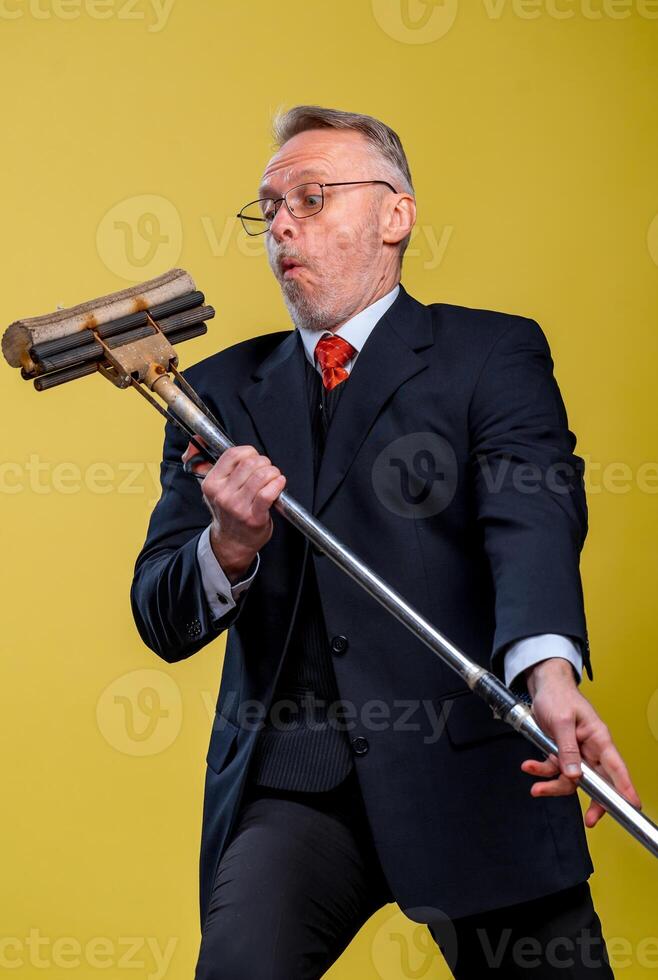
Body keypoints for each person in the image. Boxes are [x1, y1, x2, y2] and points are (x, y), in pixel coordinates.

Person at [130, 105, 641, 978]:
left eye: (314, 196)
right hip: (298, 788)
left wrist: (549, 674)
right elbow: (162, 616)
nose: (283, 223)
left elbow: (533, 515)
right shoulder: (212, 395)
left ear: (395, 216)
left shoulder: (491, 352)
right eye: (269, 208)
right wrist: (229, 545)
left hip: (481, 771)